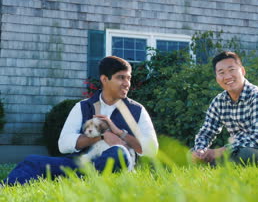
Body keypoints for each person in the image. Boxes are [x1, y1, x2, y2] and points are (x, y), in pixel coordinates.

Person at [2, 56, 158, 185]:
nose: (127, 83)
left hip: (115, 163)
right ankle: (6, 190)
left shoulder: (137, 110)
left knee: (119, 152)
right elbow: (64, 145)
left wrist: (119, 133)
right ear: (104, 79)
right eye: (120, 78)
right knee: (32, 161)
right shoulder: (83, 106)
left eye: (129, 78)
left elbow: (151, 149)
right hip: (81, 164)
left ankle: (73, 180)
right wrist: (101, 136)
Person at [192, 51, 258, 165]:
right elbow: (206, 132)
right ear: (217, 77)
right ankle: (216, 165)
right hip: (237, 151)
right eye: (221, 72)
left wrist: (218, 152)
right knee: (191, 154)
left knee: (244, 153)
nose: (227, 76)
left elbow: (257, 139)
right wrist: (200, 151)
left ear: (242, 71)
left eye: (232, 70)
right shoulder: (219, 101)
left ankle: (217, 165)